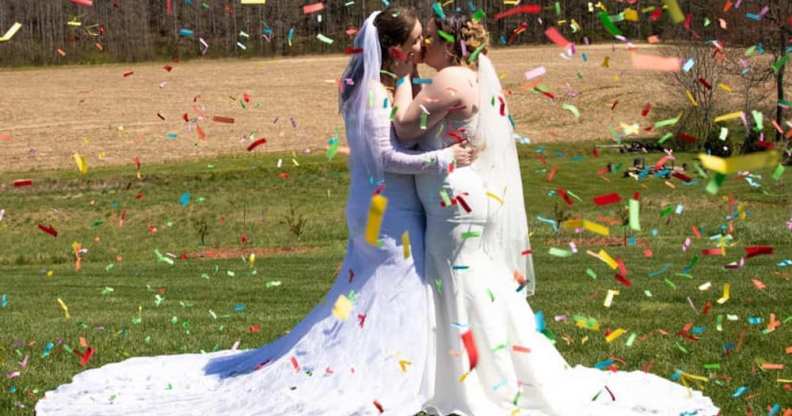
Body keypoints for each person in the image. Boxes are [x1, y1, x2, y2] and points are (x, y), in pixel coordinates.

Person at [35, 8, 473, 416]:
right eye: (416, 40)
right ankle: (383, 371)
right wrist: (444, 159)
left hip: (372, 206)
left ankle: (387, 363)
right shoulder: (375, 96)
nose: (422, 46)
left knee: (370, 293)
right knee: (390, 292)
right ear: (396, 49)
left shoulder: (365, 88)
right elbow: (385, 157)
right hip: (386, 211)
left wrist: (407, 84)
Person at [391, 11, 720, 416]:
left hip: (454, 205)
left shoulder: (451, 79)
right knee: (471, 281)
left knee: (458, 282)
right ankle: (491, 370)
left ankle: (478, 380)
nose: (423, 47)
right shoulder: (467, 77)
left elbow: (405, 127)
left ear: (448, 43)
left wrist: (402, 74)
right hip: (462, 200)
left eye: (429, 39)